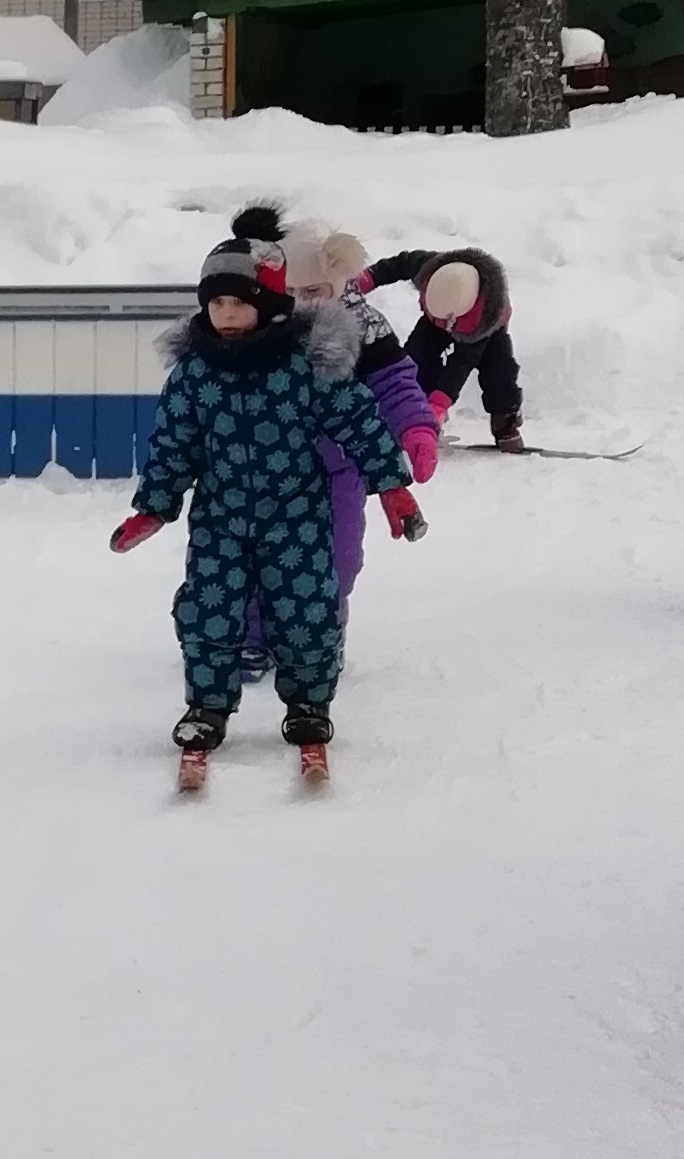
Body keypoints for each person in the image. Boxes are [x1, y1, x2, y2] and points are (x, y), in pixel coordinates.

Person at [114, 236, 419, 760]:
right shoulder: (194, 374)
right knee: (208, 609)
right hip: (220, 518)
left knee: (306, 609)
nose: (227, 315)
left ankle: (307, 703)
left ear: (268, 303)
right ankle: (207, 707)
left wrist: (392, 486)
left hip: (296, 514)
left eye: (239, 302)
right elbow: (173, 444)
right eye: (217, 303)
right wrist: (154, 506)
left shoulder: (303, 366)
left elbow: (359, 421)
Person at [231, 206, 439, 675]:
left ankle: (320, 634)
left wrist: (416, 428)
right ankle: (253, 634)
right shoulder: (260, 329)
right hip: (268, 469)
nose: (308, 302)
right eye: (296, 292)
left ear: (338, 285)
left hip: (339, 468)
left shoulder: (364, 326)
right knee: (259, 555)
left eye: (317, 291)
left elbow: (395, 382)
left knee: (339, 557)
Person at [361, 243, 522, 452]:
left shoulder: (484, 317)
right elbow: (398, 264)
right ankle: (414, 415)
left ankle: (506, 422)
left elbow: (459, 366)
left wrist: (439, 404)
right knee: (416, 358)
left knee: (499, 371)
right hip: (437, 318)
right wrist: (367, 278)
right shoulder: (430, 268)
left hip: (486, 330)